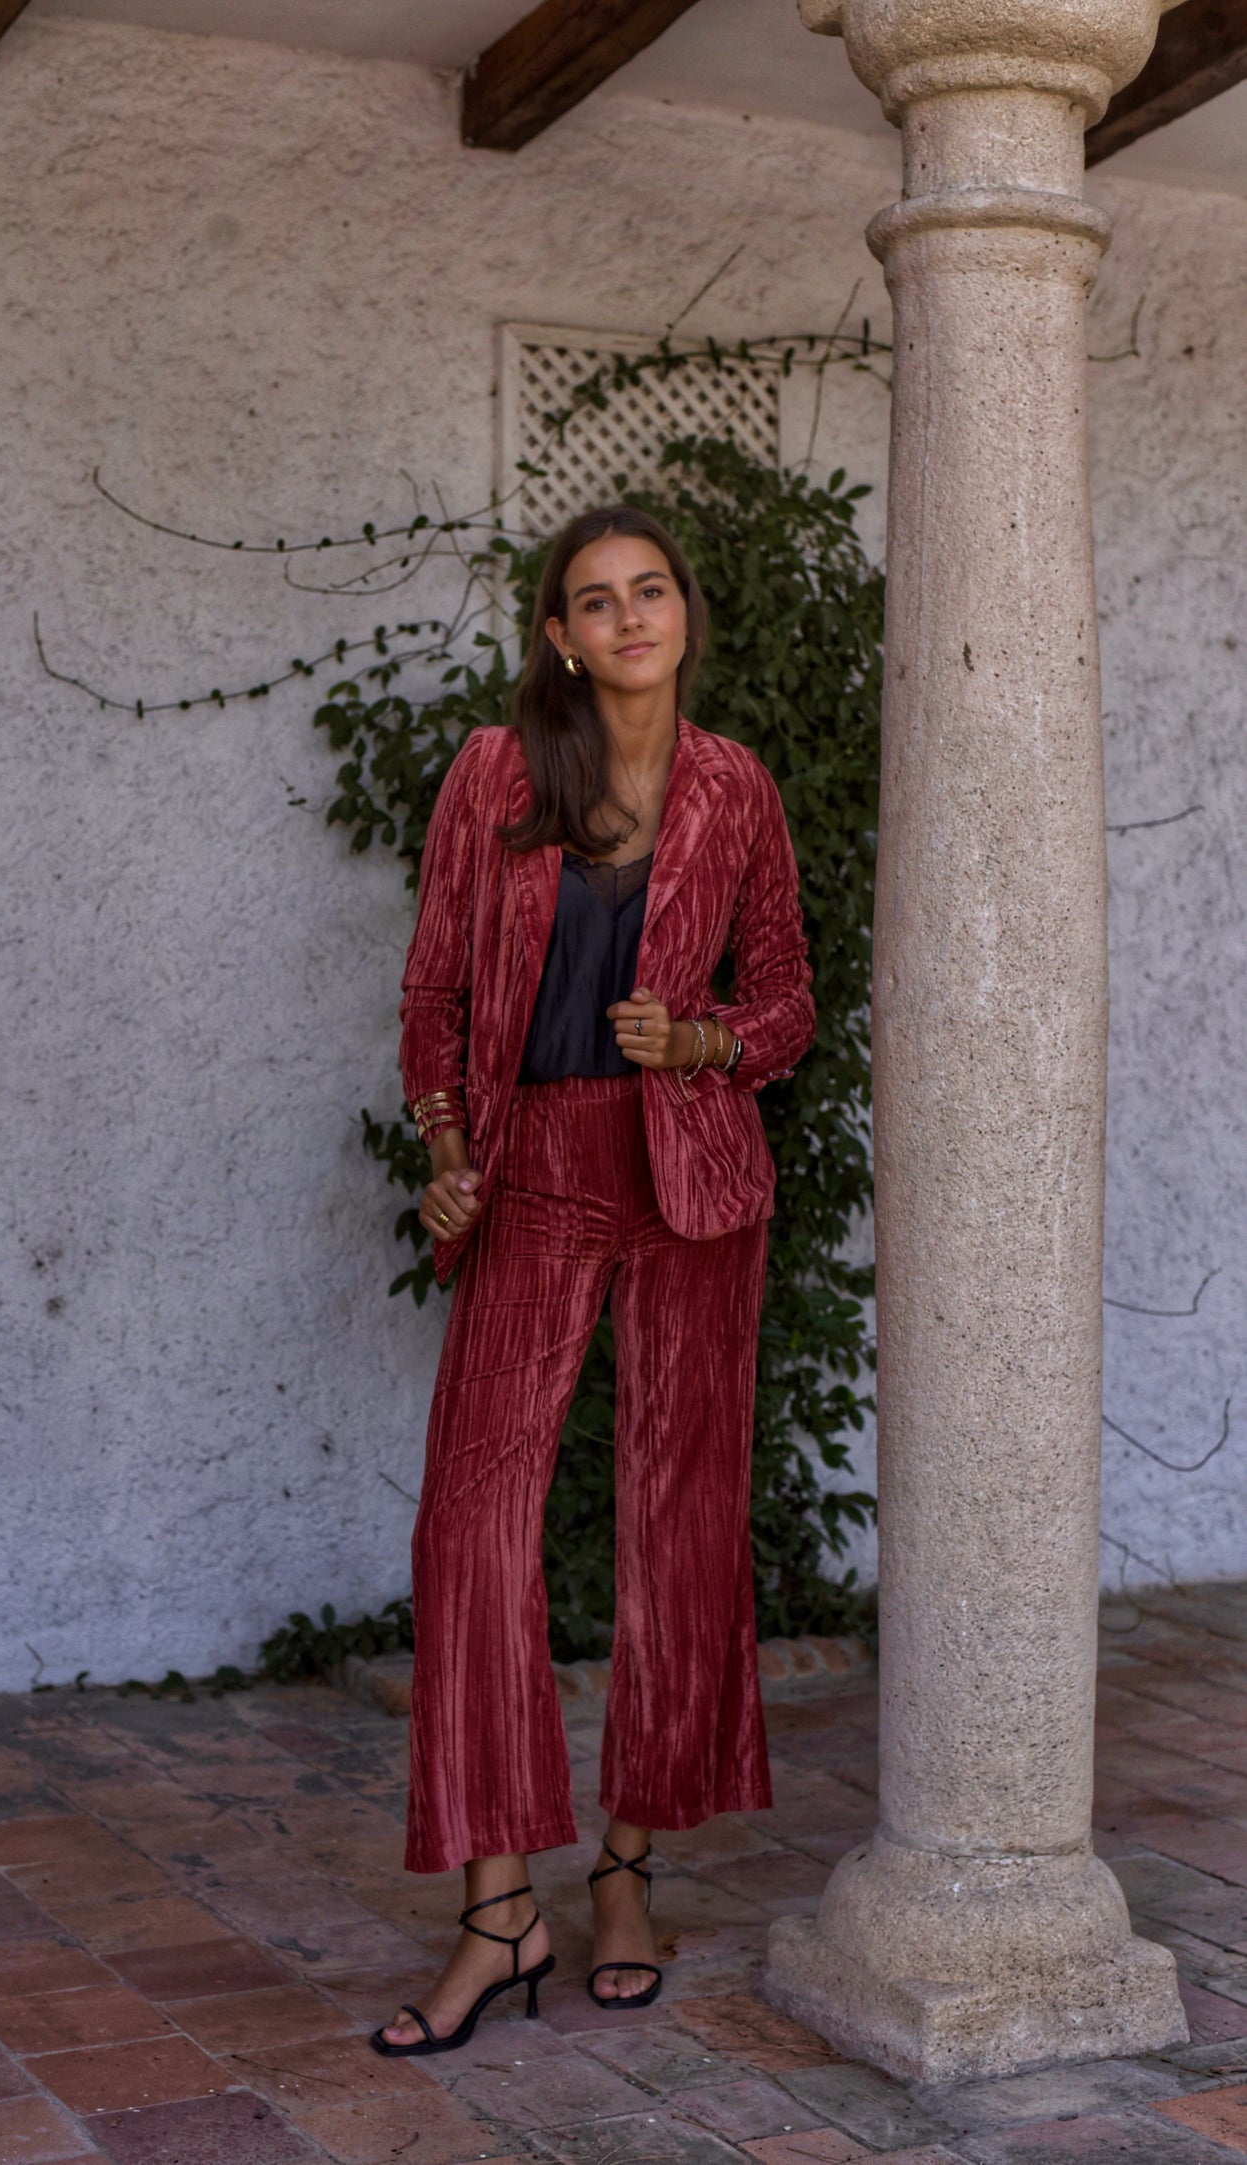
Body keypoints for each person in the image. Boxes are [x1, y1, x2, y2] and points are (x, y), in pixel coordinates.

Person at [370, 504, 816, 2056]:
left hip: (688, 1185)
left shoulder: (732, 787)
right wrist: (441, 1141)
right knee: (471, 1520)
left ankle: (626, 1870)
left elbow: (787, 1006)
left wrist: (702, 1041)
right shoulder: (498, 775)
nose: (629, 619)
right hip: (535, 1175)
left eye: (651, 593)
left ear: (682, 614)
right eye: (594, 601)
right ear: (557, 632)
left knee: (675, 1521)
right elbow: (432, 990)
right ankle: (502, 1913)